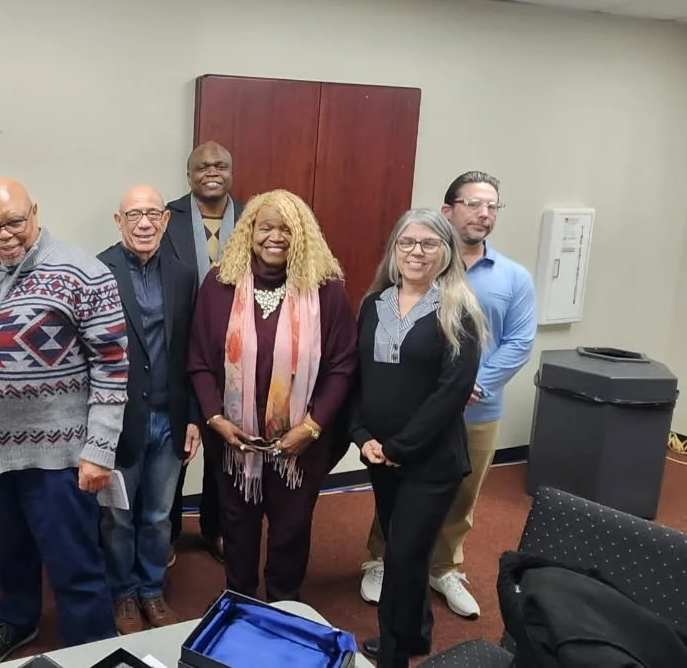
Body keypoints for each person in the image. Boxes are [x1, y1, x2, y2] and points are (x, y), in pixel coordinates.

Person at [0, 178, 130, 667]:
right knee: (8, 555)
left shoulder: (83, 273)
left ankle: (92, 647)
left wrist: (99, 450)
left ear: (35, 214)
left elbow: (112, 367)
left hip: (58, 460)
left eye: (14, 222)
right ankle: (18, 620)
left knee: (75, 565)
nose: (4, 235)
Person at [358, 172, 535, 619]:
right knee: (398, 514)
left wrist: (472, 383)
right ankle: (385, 563)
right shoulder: (383, 297)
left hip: (473, 410)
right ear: (449, 210)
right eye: (474, 203)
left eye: (492, 206)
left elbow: (518, 342)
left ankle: (444, 569)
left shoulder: (511, 278)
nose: (484, 213)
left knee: (458, 502)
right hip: (401, 422)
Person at [185, 188, 357, 603]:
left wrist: (311, 428)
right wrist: (215, 418)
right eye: (265, 227)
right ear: (249, 231)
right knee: (236, 523)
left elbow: (342, 365)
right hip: (234, 441)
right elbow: (199, 361)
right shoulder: (219, 285)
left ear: (302, 235)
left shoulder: (326, 290)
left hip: (300, 441)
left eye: (286, 229)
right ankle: (240, 597)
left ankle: (283, 598)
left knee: (291, 527)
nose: (275, 237)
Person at [351, 208, 488, 668]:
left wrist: (399, 447)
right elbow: (358, 378)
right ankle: (414, 635)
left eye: (429, 243)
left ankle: (393, 654)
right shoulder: (373, 305)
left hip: (431, 461)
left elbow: (450, 394)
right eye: (407, 242)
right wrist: (361, 435)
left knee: (405, 556)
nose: (416, 252)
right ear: (394, 248)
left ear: (446, 251)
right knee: (403, 547)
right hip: (381, 457)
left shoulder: (458, 310)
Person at [97, 185, 200, 635]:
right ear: (118, 221)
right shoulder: (98, 271)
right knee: (117, 516)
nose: (144, 223)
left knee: (158, 517)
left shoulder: (183, 275)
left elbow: (192, 351)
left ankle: (151, 590)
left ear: (166, 220)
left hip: (169, 419)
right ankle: (122, 593)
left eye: (153, 214)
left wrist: (193, 416)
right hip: (118, 421)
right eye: (134, 214)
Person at [161, 141, 244, 562]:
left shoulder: (252, 216)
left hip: (235, 353)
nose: (212, 172)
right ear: (189, 175)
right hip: (175, 350)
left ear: (231, 171)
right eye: (202, 166)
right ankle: (166, 530)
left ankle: (217, 527)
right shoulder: (164, 217)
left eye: (220, 165)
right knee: (174, 444)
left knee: (224, 447)